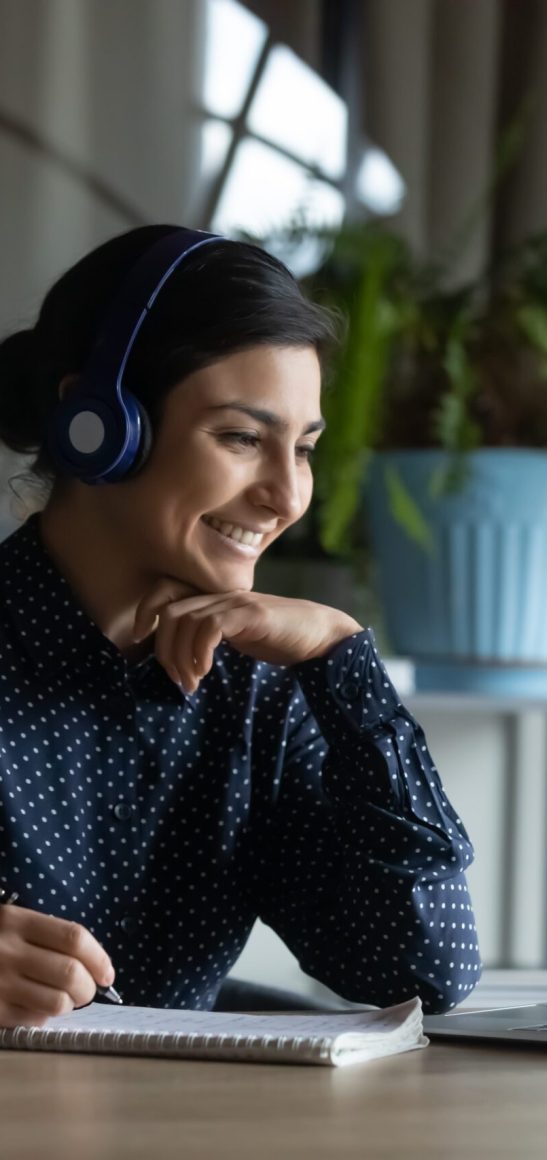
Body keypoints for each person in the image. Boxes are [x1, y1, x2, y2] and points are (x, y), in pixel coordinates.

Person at [0, 225, 481, 1028]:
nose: (288, 497)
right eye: (242, 438)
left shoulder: (259, 694)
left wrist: (341, 657)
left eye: (306, 450)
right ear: (100, 426)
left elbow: (425, 968)